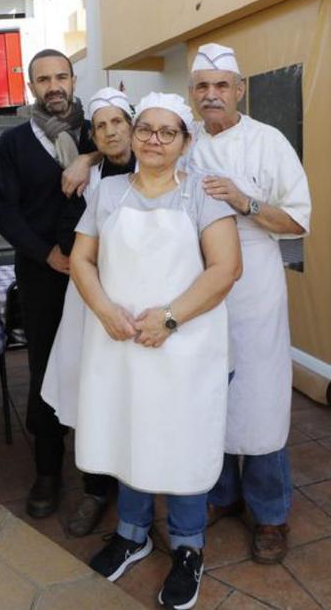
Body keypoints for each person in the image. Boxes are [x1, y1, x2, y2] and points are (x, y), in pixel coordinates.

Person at [72, 92, 242, 610]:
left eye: (168, 131)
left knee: (182, 440)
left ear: (185, 141)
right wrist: (103, 310)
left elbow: (226, 269)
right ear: (132, 131)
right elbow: (82, 260)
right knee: (127, 430)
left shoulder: (203, 195)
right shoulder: (107, 193)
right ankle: (132, 533)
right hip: (120, 341)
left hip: (184, 345)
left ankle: (189, 548)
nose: (153, 139)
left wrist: (169, 319)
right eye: (145, 128)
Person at [188, 42, 312, 565]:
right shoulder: (182, 138)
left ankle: (270, 513)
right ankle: (221, 496)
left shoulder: (269, 141)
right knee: (208, 393)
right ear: (191, 95)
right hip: (197, 284)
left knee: (259, 402)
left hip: (256, 287)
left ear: (241, 90)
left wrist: (244, 201)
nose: (212, 95)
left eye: (221, 86)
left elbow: (299, 220)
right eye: (202, 87)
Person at [0, 49, 97, 519]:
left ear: (74, 80)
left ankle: (99, 477)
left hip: (102, 275)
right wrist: (46, 253)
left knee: (100, 367)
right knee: (46, 368)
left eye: (61, 77)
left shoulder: (99, 129)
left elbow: (130, 158)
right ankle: (48, 471)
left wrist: (89, 155)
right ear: (31, 86)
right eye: (43, 79)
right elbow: (5, 211)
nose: (54, 86)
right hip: (45, 274)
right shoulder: (13, 144)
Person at [41, 86, 137, 536]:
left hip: (145, 308)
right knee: (93, 394)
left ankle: (140, 486)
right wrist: (87, 162)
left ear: (134, 125)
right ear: (93, 136)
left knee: (139, 396)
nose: (111, 131)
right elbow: (68, 239)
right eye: (101, 126)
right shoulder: (85, 183)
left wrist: (88, 156)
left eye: (118, 121)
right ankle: (96, 489)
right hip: (92, 303)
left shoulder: (163, 167)